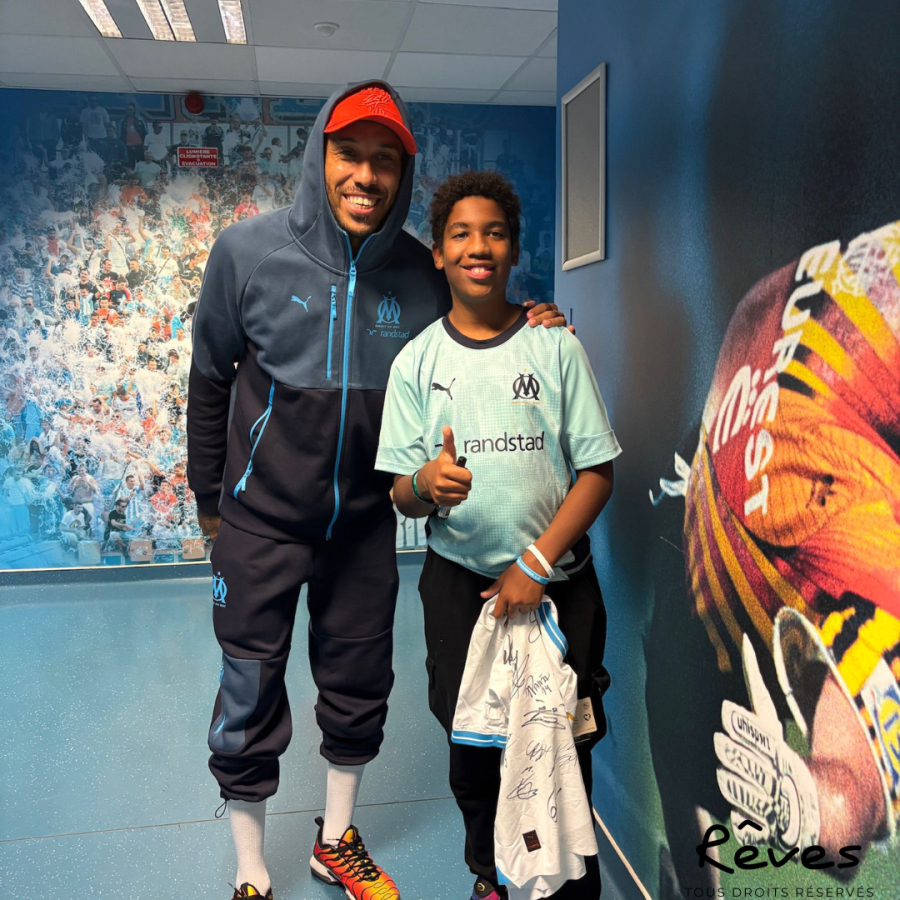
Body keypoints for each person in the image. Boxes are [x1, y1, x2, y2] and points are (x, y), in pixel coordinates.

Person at [187, 81, 568, 900]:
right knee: (248, 687)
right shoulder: (246, 253)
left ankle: (335, 841)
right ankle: (251, 869)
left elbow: (483, 326)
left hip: (364, 527)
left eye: (384, 160)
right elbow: (210, 379)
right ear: (319, 156)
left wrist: (538, 321)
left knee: (358, 686)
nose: (366, 174)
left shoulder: (421, 275)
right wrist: (208, 500)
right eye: (350, 153)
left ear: (403, 174)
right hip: (258, 524)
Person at [376, 172, 619, 900]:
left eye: (494, 233)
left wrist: (535, 564)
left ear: (513, 250)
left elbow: (597, 472)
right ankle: (490, 876)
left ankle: (571, 886)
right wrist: (426, 484)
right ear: (439, 255)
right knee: (474, 753)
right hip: (460, 592)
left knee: (563, 750)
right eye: (460, 234)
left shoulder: (555, 348)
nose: (478, 246)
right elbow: (400, 493)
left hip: (558, 588)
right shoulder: (417, 362)